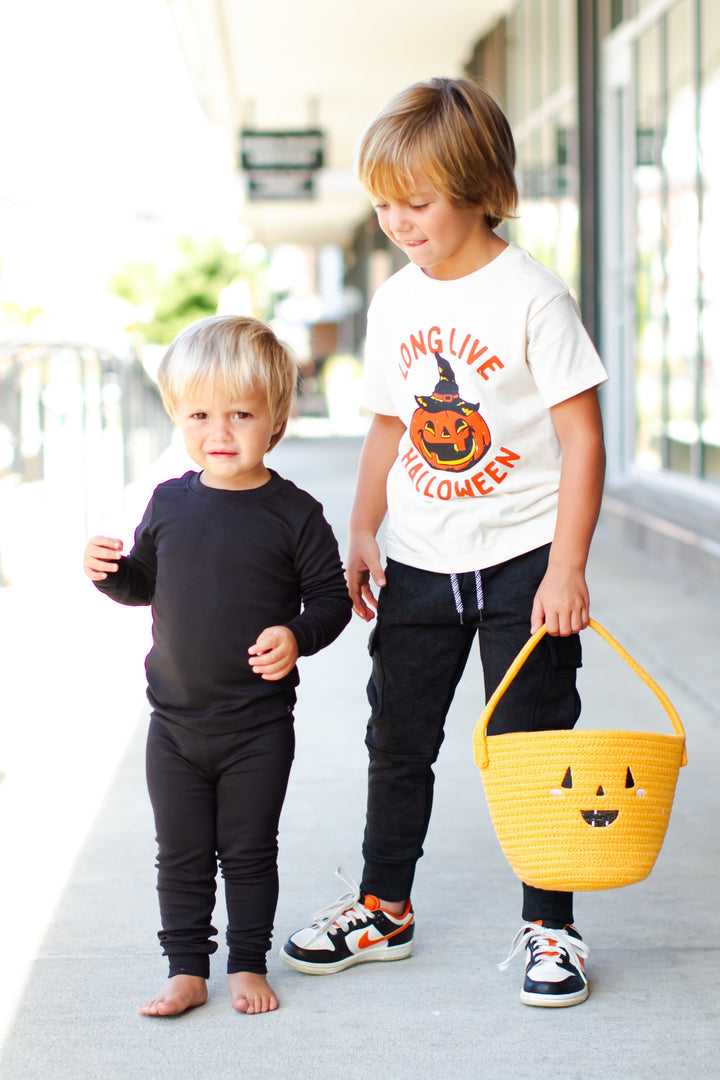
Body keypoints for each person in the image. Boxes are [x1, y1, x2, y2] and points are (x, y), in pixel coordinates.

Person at [280, 77, 608, 1008]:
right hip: (421, 563)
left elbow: (583, 438)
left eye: (415, 202)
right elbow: (389, 424)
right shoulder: (394, 302)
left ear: (478, 187)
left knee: (533, 747)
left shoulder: (534, 297)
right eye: (383, 204)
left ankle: (553, 924)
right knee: (399, 737)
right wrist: (363, 526)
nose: (397, 222)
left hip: (521, 566)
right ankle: (384, 905)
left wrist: (567, 567)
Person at [83, 315, 352, 1017]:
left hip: (255, 727)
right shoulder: (170, 502)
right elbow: (146, 582)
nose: (219, 431)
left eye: (240, 413)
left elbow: (331, 600)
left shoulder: (294, 514)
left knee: (248, 851)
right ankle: (185, 969)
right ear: (178, 415)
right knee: (179, 853)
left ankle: (246, 964)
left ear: (277, 420)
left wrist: (296, 635)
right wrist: (111, 574)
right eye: (199, 414)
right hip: (173, 723)